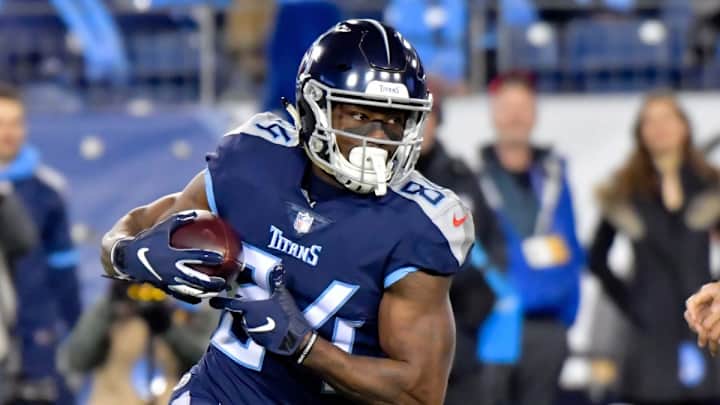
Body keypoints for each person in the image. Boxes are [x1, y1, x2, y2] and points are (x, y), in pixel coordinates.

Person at [100, 19, 474, 405]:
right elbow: (134, 228)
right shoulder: (254, 159)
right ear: (314, 106)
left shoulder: (417, 224)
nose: (378, 138)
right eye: (360, 117)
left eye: (394, 121)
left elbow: (419, 393)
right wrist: (127, 254)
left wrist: (306, 346)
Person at [596, 92, 720, 404]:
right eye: (649, 121)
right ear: (640, 133)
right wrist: (632, 301)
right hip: (649, 333)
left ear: (684, 127)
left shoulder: (711, 186)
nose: (659, 127)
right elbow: (597, 258)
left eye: (667, 118)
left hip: (702, 324)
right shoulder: (623, 191)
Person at [474, 72, 585, 405]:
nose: (515, 116)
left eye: (523, 107)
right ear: (493, 114)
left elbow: (572, 249)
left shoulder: (555, 179)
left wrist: (565, 319)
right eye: (507, 107)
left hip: (548, 327)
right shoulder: (473, 179)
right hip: (492, 327)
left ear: (535, 114)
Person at [0, 83, 81, 405]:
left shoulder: (48, 190)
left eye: (15, 122)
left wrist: (74, 333)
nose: (8, 133)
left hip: (36, 332)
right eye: (0, 123)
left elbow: (64, 269)